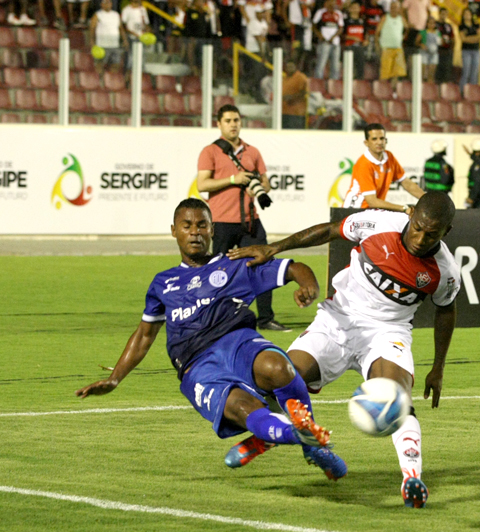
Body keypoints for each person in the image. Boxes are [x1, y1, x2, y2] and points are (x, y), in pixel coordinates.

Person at [75, 199, 345, 479]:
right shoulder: (163, 283)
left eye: (201, 225)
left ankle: (311, 446)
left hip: (238, 342)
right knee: (241, 408)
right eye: (187, 226)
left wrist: (308, 284)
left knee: (279, 367)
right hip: (196, 365)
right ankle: (292, 433)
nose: (195, 232)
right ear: (174, 231)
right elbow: (144, 335)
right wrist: (115, 379)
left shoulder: (235, 264)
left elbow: (293, 268)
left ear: (212, 230)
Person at [228, 191, 462, 508]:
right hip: (337, 320)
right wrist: (276, 247)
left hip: (387, 333)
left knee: (397, 396)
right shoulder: (379, 224)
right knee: (283, 377)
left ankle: (412, 478)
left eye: (431, 234)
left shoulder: (445, 270)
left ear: (446, 231)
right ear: (410, 215)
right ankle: (266, 437)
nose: (420, 239)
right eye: (418, 227)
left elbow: (446, 311)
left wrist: (438, 368)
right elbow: (329, 230)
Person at [197, 105, 289, 332]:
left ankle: (265, 318)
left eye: (236, 120)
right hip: (222, 220)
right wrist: (233, 179)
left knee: (263, 264)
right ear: (219, 124)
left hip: (250, 221)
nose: (233, 124)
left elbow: (266, 183)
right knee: (219, 271)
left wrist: (258, 187)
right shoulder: (210, 151)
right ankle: (215, 317)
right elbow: (202, 184)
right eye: (228, 120)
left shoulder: (252, 152)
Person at [343, 123, 425, 211]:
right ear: (366, 143)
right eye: (374, 139)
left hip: (372, 210)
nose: (379, 142)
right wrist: (404, 208)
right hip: (355, 210)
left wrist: (427, 199)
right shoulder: (364, 164)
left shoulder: (389, 157)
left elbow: (407, 183)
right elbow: (372, 201)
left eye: (382, 138)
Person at [90, 0, 127, 74]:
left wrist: (124, 40)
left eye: (109, 2)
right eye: (105, 3)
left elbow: (121, 29)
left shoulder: (116, 15)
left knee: (115, 64)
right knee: (100, 64)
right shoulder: (98, 15)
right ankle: (100, 79)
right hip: (102, 45)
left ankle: (112, 79)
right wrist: (92, 41)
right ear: (101, 4)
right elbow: (92, 28)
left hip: (114, 45)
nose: (108, 4)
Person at [312, 0, 343, 79]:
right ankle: (318, 81)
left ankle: (334, 82)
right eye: (330, 2)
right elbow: (314, 25)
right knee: (321, 63)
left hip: (335, 42)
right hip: (324, 41)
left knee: (335, 65)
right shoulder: (321, 12)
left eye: (333, 2)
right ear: (326, 3)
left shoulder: (338, 13)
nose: (332, 4)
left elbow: (341, 28)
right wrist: (320, 36)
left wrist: (333, 37)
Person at [342, 1, 367, 81]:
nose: (355, 9)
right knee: (349, 66)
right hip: (349, 47)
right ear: (349, 9)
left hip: (360, 47)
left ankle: (359, 82)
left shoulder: (362, 21)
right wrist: (352, 38)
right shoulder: (346, 21)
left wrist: (366, 41)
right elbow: (342, 35)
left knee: (360, 67)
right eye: (353, 7)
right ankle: (348, 81)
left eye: (357, 7)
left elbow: (365, 34)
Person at [458, 8, 480, 90]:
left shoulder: (476, 25)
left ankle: (472, 90)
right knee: (466, 71)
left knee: (474, 72)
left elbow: (479, 36)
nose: (467, 15)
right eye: (465, 14)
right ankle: (462, 90)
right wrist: (474, 39)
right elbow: (463, 39)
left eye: (468, 14)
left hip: (476, 50)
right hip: (466, 50)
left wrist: (469, 39)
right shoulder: (461, 26)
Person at [281, 60, 308, 129]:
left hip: (296, 113)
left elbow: (305, 92)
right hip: (284, 112)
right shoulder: (284, 78)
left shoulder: (301, 77)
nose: (289, 69)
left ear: (296, 67)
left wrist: (291, 97)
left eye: (291, 67)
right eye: (287, 67)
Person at [419, 17, 441, 82]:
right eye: (430, 23)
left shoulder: (438, 33)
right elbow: (416, 42)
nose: (431, 25)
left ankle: (430, 85)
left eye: (433, 23)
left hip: (434, 54)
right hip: (424, 53)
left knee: (431, 72)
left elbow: (440, 43)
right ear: (427, 24)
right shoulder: (423, 32)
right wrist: (421, 45)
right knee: (423, 72)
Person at [436, 10, 455, 83]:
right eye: (442, 14)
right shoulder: (435, 25)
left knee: (446, 70)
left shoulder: (448, 26)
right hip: (437, 50)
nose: (444, 15)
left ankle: (445, 85)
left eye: (445, 14)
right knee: (437, 70)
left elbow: (452, 37)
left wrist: (452, 48)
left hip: (447, 50)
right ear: (439, 14)